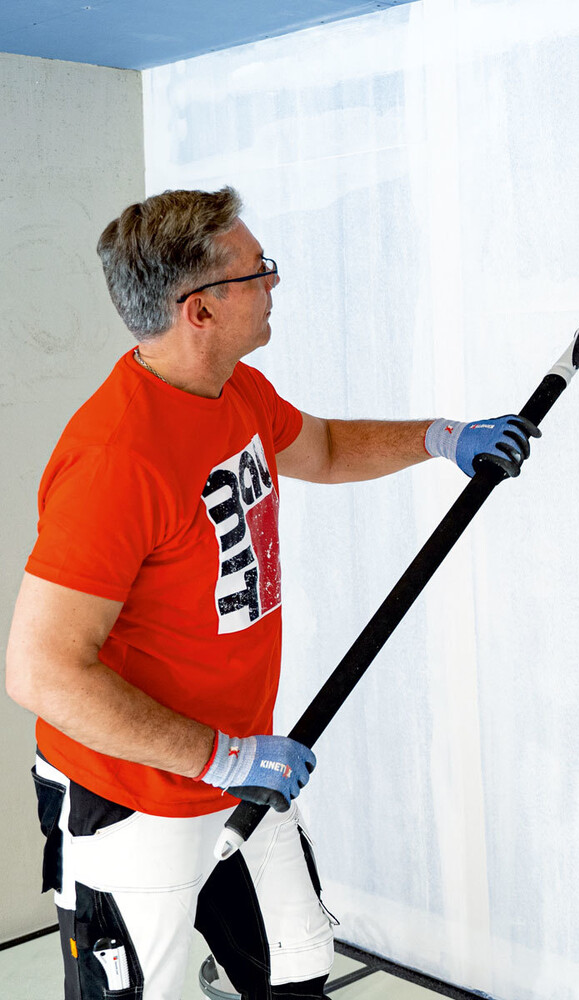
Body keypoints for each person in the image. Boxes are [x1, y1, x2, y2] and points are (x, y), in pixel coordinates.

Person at [4, 187, 539, 1000]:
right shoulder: (117, 460)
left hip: (241, 771)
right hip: (136, 795)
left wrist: (441, 439)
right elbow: (42, 673)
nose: (274, 282)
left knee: (296, 967)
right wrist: (224, 757)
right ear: (201, 310)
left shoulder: (234, 392)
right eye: (258, 271)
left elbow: (322, 447)